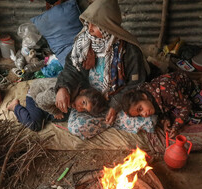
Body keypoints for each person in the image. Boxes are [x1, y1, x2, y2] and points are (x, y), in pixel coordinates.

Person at [54, 0, 156, 139]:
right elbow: (72, 69)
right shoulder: (84, 44)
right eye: (88, 23)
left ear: (107, 26)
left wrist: (115, 105)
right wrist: (63, 88)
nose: (89, 29)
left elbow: (136, 84)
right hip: (90, 103)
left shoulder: (129, 50)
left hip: (120, 104)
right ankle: (114, 122)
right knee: (76, 127)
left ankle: (112, 119)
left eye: (95, 25)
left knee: (150, 121)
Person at [121, 72, 202, 137]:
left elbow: (186, 105)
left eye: (140, 109)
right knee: (174, 116)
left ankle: (201, 82)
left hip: (188, 89)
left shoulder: (167, 93)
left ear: (144, 96)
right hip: (175, 98)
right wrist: (165, 121)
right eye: (140, 115)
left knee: (197, 114)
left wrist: (176, 126)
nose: (144, 114)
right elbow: (162, 109)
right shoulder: (149, 98)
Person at [7, 78, 108, 131]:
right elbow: (40, 100)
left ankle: (45, 115)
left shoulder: (76, 97)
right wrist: (55, 111)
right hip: (35, 97)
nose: (80, 107)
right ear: (82, 92)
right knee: (35, 124)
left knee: (64, 115)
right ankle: (15, 107)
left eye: (84, 109)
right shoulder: (59, 95)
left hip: (48, 102)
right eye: (83, 103)